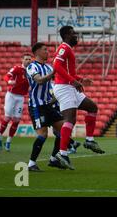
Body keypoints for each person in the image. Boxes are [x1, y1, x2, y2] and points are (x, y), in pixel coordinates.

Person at [53, 26, 104, 170]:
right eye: (73, 33)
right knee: (70, 119)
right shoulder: (64, 48)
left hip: (70, 86)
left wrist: (80, 79)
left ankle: (89, 140)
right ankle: (62, 153)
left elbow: (67, 71)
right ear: (67, 35)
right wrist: (73, 81)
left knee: (92, 107)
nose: (76, 36)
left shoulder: (68, 48)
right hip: (64, 88)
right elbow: (56, 65)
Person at [26, 42, 69, 171]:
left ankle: (53, 159)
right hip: (37, 106)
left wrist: (56, 97)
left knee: (63, 130)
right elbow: (39, 80)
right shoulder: (31, 67)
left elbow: (55, 85)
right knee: (43, 135)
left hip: (48, 105)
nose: (47, 52)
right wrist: (54, 73)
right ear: (37, 52)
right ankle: (31, 164)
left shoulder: (49, 68)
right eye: (45, 50)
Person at [0, 53, 32, 151]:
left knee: (16, 120)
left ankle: (8, 141)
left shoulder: (31, 72)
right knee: (7, 118)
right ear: (22, 60)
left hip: (20, 97)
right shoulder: (17, 68)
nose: (28, 61)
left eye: (30, 59)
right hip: (11, 95)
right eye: (26, 59)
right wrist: (9, 81)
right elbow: (7, 76)